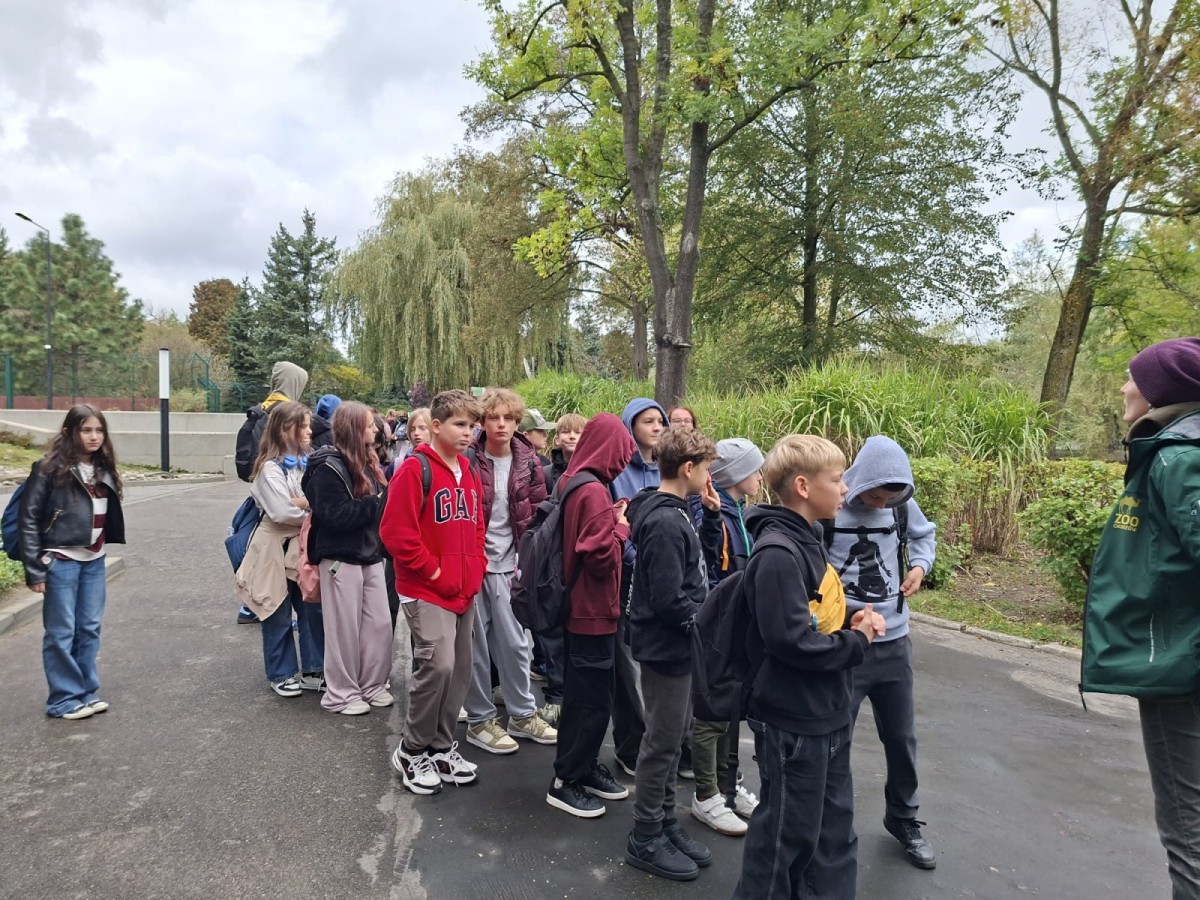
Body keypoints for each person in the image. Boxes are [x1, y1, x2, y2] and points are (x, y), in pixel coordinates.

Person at [732, 434, 885, 900]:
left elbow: (814, 607)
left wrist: (850, 613)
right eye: (837, 479)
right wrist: (858, 640)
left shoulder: (810, 538)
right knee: (785, 837)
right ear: (803, 486)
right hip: (795, 720)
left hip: (828, 711)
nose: (845, 489)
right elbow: (793, 641)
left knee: (833, 832)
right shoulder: (777, 553)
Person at [1082, 338, 1200, 899]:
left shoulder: (1181, 458)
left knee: (1188, 827)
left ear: (1161, 390)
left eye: (1134, 377)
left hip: (1182, 671)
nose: (1124, 386)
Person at [823, 435, 938, 870]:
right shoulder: (832, 504)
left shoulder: (901, 506)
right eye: (874, 495)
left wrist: (919, 567)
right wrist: (843, 615)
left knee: (902, 736)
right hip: (848, 643)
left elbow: (925, 537)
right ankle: (834, 824)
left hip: (894, 642)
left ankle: (903, 817)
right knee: (837, 738)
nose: (880, 503)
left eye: (889, 497)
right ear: (863, 480)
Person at [624, 427, 718, 881]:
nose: (709, 476)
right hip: (666, 648)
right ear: (688, 468)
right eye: (706, 468)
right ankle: (645, 834)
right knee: (661, 742)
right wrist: (703, 626)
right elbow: (667, 597)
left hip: (678, 645)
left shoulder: (677, 512)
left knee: (675, 733)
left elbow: (692, 573)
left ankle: (664, 821)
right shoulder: (664, 521)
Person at [381, 390, 486, 796]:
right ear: (437, 426)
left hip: (463, 589)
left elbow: (476, 526)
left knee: (459, 670)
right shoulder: (415, 469)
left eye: (471, 426)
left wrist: (475, 567)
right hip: (426, 589)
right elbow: (396, 533)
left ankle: (441, 747)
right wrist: (436, 571)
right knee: (437, 666)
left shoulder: (468, 471)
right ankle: (412, 750)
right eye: (460, 424)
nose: (468, 432)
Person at [546, 413, 636, 818]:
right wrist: (621, 527)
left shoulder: (572, 480)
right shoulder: (594, 491)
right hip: (592, 611)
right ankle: (566, 779)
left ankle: (582, 766)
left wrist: (607, 518)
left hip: (576, 607)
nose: (624, 460)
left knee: (585, 695)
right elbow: (599, 557)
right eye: (622, 452)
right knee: (592, 700)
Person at [463, 388, 557, 754]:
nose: (501, 425)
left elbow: (537, 515)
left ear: (518, 423)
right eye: (493, 418)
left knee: (517, 644)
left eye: (508, 418)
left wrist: (530, 562)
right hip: (473, 565)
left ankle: (522, 714)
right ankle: (479, 719)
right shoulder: (468, 458)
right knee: (475, 646)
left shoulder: (529, 461)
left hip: (510, 564)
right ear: (483, 422)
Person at [18, 405, 126, 720]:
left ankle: (85, 691)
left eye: (99, 430)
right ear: (69, 432)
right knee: (61, 631)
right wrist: (35, 569)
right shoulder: (48, 468)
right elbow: (28, 519)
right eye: (86, 430)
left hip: (94, 559)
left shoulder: (103, 468)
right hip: (61, 560)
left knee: (89, 628)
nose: (94, 437)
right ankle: (63, 698)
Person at [690, 437, 766, 837]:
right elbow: (709, 569)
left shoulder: (739, 510)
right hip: (717, 624)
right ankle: (706, 794)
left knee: (730, 708)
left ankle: (727, 785)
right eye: (754, 469)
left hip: (735, 622)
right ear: (735, 475)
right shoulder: (714, 511)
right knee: (711, 713)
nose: (760, 477)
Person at [302, 402, 392, 716]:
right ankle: (341, 694)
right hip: (341, 558)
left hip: (370, 554)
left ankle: (371, 685)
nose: (375, 429)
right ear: (354, 429)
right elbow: (334, 515)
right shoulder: (327, 467)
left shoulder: (367, 461)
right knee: (344, 630)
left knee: (379, 624)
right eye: (368, 425)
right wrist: (377, 504)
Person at [236, 401, 326, 699]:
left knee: (310, 605)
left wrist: (303, 503)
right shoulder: (269, 469)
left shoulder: (308, 461)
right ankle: (282, 672)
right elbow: (281, 511)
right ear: (286, 429)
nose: (310, 431)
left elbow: (319, 498)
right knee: (276, 608)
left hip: (301, 544)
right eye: (304, 425)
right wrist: (311, 506)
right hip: (272, 547)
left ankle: (314, 669)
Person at [609, 397, 668, 775]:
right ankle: (630, 746)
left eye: (660, 421)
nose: (657, 427)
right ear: (630, 425)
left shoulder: (668, 468)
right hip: (628, 578)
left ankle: (661, 744)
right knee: (628, 668)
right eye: (648, 421)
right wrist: (636, 559)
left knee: (659, 668)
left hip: (662, 579)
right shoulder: (617, 472)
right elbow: (615, 522)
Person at [233, 361, 310, 624]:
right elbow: (286, 509)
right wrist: (305, 503)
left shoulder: (259, 410)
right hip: (278, 487)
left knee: (258, 557)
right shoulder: (287, 413)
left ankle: (252, 606)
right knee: (277, 565)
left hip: (262, 490)